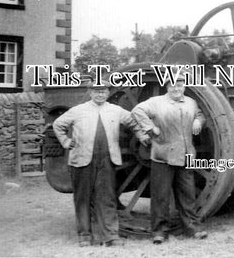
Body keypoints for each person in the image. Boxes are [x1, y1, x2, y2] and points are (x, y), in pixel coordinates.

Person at [53, 81, 144, 247]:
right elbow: (58, 124)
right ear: (90, 92)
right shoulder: (78, 110)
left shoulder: (116, 110)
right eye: (97, 91)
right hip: (81, 160)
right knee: (82, 198)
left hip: (107, 160)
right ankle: (85, 235)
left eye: (103, 91)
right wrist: (65, 141)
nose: (100, 94)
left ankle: (110, 236)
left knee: (107, 197)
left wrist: (141, 134)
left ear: (108, 92)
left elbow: (133, 122)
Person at [131, 73, 207, 244]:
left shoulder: (190, 102)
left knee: (187, 195)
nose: (176, 88)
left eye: (179, 85)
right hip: (163, 156)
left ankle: (192, 228)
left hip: (185, 155)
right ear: (167, 87)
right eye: (172, 85)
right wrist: (150, 128)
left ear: (184, 87)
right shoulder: (156, 102)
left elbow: (201, 115)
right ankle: (159, 232)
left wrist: (198, 121)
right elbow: (137, 111)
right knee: (161, 196)